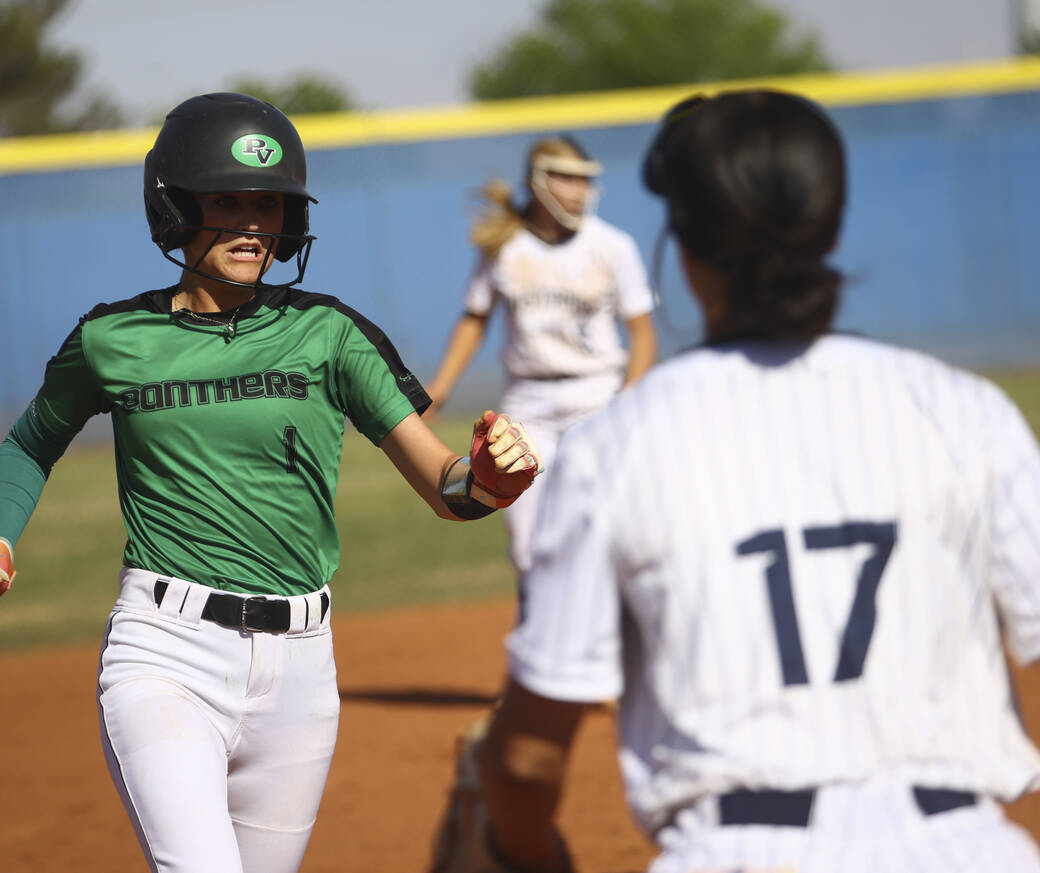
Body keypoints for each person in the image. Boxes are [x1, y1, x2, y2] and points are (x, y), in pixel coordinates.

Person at [431, 89, 1040, 873]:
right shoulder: (970, 412)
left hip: (739, 851)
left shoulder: (618, 448)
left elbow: (525, 763)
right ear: (831, 223)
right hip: (968, 849)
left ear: (680, 243)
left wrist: (520, 850)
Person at [0, 92, 543, 873]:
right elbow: (29, 444)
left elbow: (448, 486)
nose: (253, 223)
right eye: (227, 201)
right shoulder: (113, 339)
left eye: (269, 204)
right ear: (174, 207)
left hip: (302, 668)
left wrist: (491, 479)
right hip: (166, 651)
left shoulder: (328, 334)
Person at [425, 135, 658, 577]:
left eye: (584, 180)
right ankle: (542, 627)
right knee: (530, 544)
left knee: (613, 533)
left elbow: (642, 333)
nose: (577, 189)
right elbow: (475, 318)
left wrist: (629, 398)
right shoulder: (503, 247)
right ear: (536, 181)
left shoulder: (612, 245)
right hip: (529, 402)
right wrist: (442, 386)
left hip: (599, 398)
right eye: (565, 177)